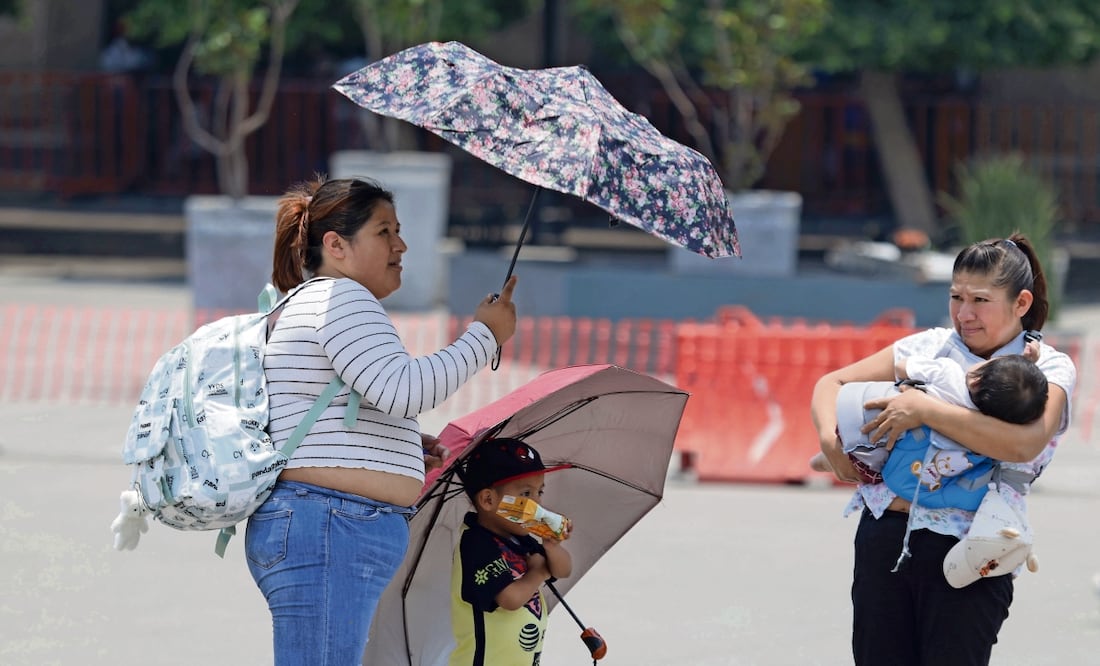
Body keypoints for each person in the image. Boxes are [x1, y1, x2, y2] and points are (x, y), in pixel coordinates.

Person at [244, 175, 519, 664]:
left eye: (398, 230)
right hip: (329, 524)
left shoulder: (314, 301)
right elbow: (403, 389)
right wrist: (484, 337)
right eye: (384, 232)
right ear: (336, 245)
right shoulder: (342, 299)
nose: (401, 245)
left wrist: (400, 447)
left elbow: (343, 408)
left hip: (325, 524)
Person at [810, 233, 1077, 666]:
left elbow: (1026, 444)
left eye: (980, 300)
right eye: (956, 296)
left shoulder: (1047, 367)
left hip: (972, 549)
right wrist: (830, 443)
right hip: (885, 535)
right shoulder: (927, 347)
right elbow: (831, 383)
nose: (964, 313)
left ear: (1021, 303)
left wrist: (924, 410)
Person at [810, 347, 1048, 495]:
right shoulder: (978, 424)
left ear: (976, 380)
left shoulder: (948, 372)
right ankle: (824, 461)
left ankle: (824, 459)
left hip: (856, 411)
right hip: (870, 461)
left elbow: (902, 367)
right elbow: (1012, 389)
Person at [450, 437, 573, 666]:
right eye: (526, 495)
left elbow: (563, 569)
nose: (536, 504)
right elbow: (510, 598)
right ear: (488, 499)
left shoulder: (520, 538)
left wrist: (552, 546)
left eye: (540, 492)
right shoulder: (476, 543)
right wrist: (538, 573)